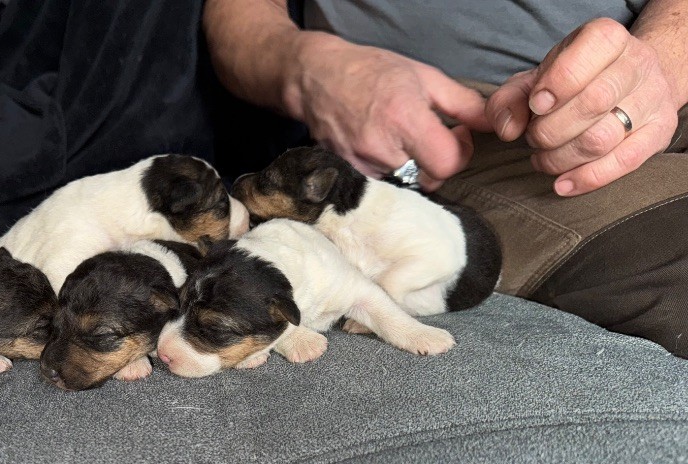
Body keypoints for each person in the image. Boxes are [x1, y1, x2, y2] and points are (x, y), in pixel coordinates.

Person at [203, 0, 688, 356]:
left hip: (648, 67)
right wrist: (303, 66)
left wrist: (664, 61)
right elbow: (240, 18)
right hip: (467, 124)